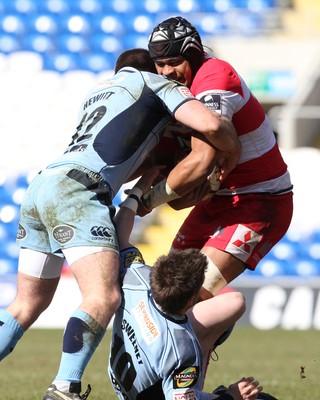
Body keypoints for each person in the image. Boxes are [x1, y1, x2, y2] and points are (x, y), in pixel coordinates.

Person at [0, 48, 241, 400]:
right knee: (103, 296)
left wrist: (142, 183)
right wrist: (229, 151)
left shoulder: (99, 91)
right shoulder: (154, 83)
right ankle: (64, 388)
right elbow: (210, 124)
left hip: (43, 184)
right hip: (80, 192)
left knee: (25, 305)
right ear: (150, 70)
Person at [138, 16, 294, 298]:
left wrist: (145, 201)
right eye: (160, 65)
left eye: (174, 62)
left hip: (259, 201)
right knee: (166, 294)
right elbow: (178, 192)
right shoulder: (173, 88)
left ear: (194, 54)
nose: (166, 72)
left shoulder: (214, 76)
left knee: (189, 299)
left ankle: (216, 326)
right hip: (216, 200)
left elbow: (202, 159)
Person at [108, 168, 265, 400]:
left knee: (232, 303)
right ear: (192, 300)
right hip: (160, 394)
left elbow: (120, 234)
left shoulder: (137, 278)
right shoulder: (181, 346)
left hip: (132, 381)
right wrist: (231, 397)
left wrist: (141, 187)